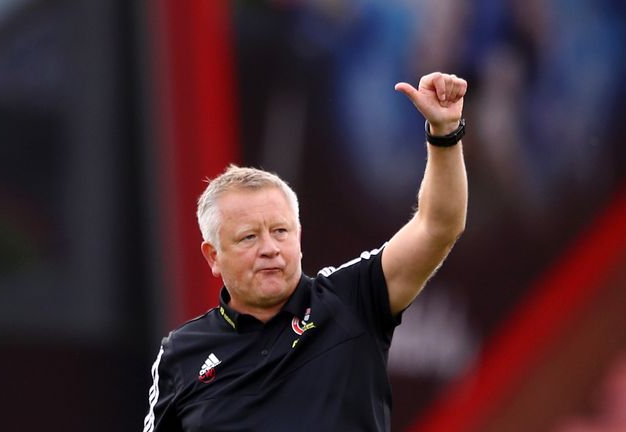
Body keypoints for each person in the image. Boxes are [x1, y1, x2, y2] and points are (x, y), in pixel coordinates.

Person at [143, 72, 469, 431]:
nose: (269, 249)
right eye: (249, 237)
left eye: (280, 231)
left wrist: (446, 134)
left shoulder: (351, 299)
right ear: (213, 256)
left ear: (299, 236)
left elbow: (438, 227)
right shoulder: (181, 352)